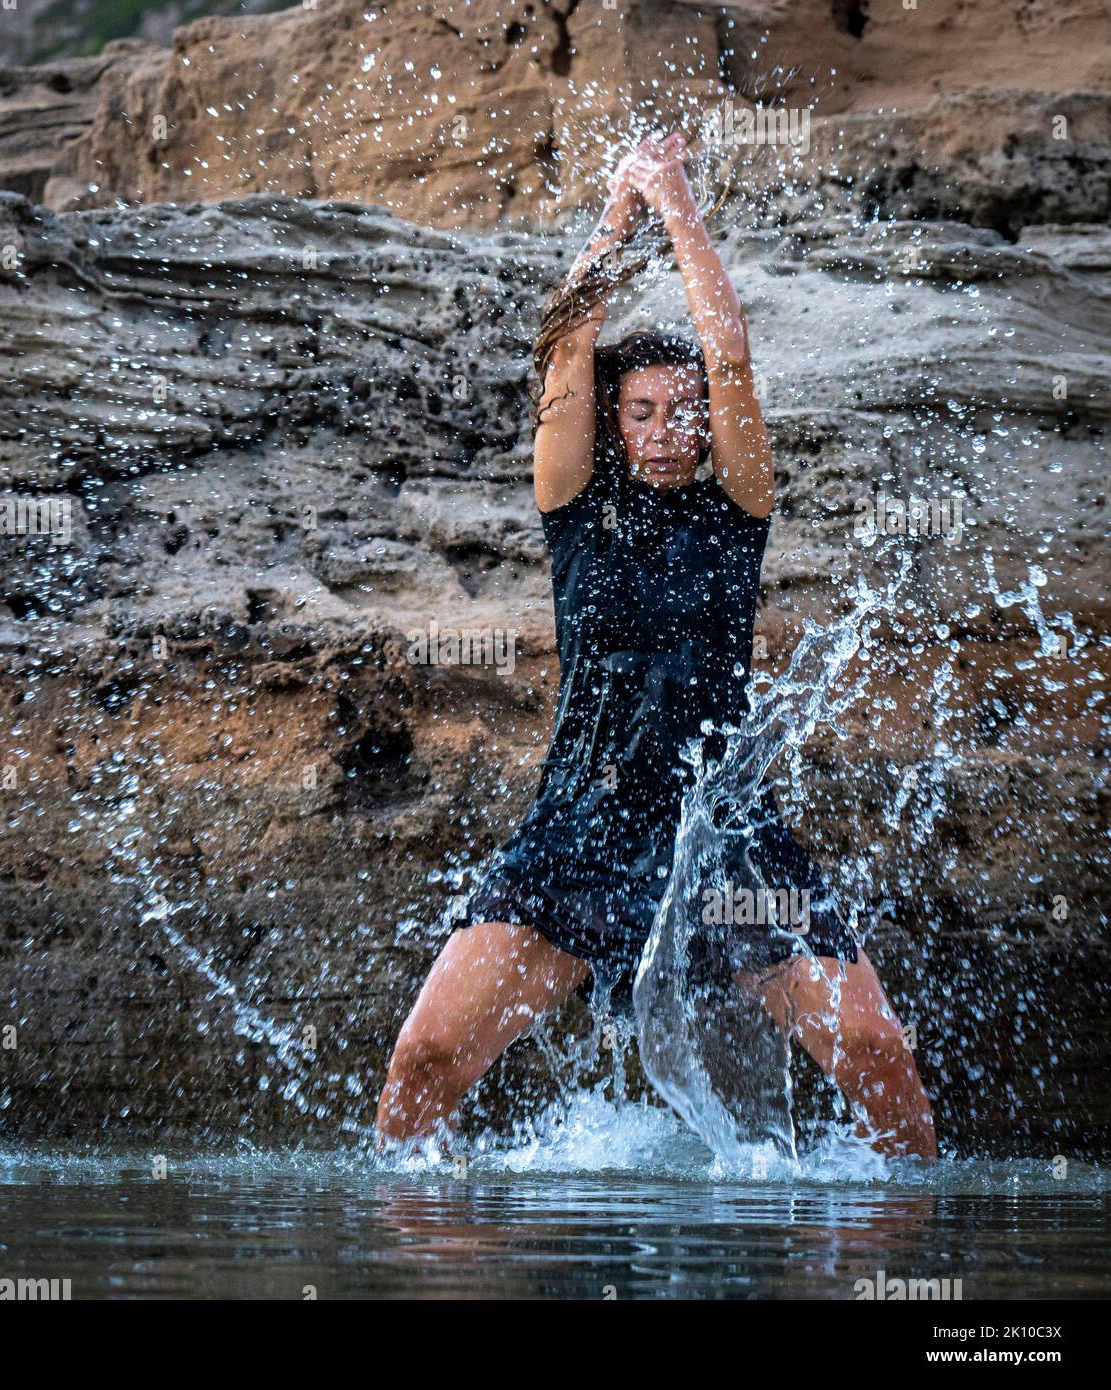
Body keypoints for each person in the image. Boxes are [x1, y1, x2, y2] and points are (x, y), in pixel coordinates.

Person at [376, 134, 936, 1159]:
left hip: (721, 842)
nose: (670, 427)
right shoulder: (572, 508)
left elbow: (728, 356)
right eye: (642, 410)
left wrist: (678, 206)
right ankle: (429, 1235)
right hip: (577, 829)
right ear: (616, 422)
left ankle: (899, 1235)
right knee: (421, 1064)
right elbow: (561, 351)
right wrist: (615, 215)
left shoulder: (737, 507)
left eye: (686, 411)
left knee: (876, 1051)